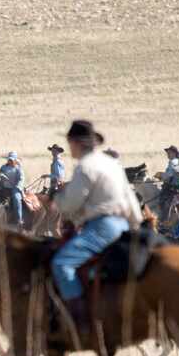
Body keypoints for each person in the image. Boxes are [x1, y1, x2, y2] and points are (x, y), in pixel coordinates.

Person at [46, 120, 142, 334]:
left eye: (69, 142)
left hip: (101, 226)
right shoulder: (112, 164)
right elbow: (131, 200)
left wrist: (56, 202)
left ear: (76, 143)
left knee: (62, 263)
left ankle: (79, 322)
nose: (68, 146)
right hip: (124, 226)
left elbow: (72, 202)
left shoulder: (85, 166)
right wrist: (137, 227)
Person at [0, 151, 26, 227]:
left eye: (11, 160)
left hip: (14, 188)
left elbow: (21, 178)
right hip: (4, 187)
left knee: (17, 199)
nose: (10, 161)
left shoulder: (18, 168)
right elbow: (0, 173)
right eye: (9, 159)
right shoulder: (4, 167)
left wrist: (17, 186)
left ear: (15, 160)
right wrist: (2, 175)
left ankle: (19, 219)